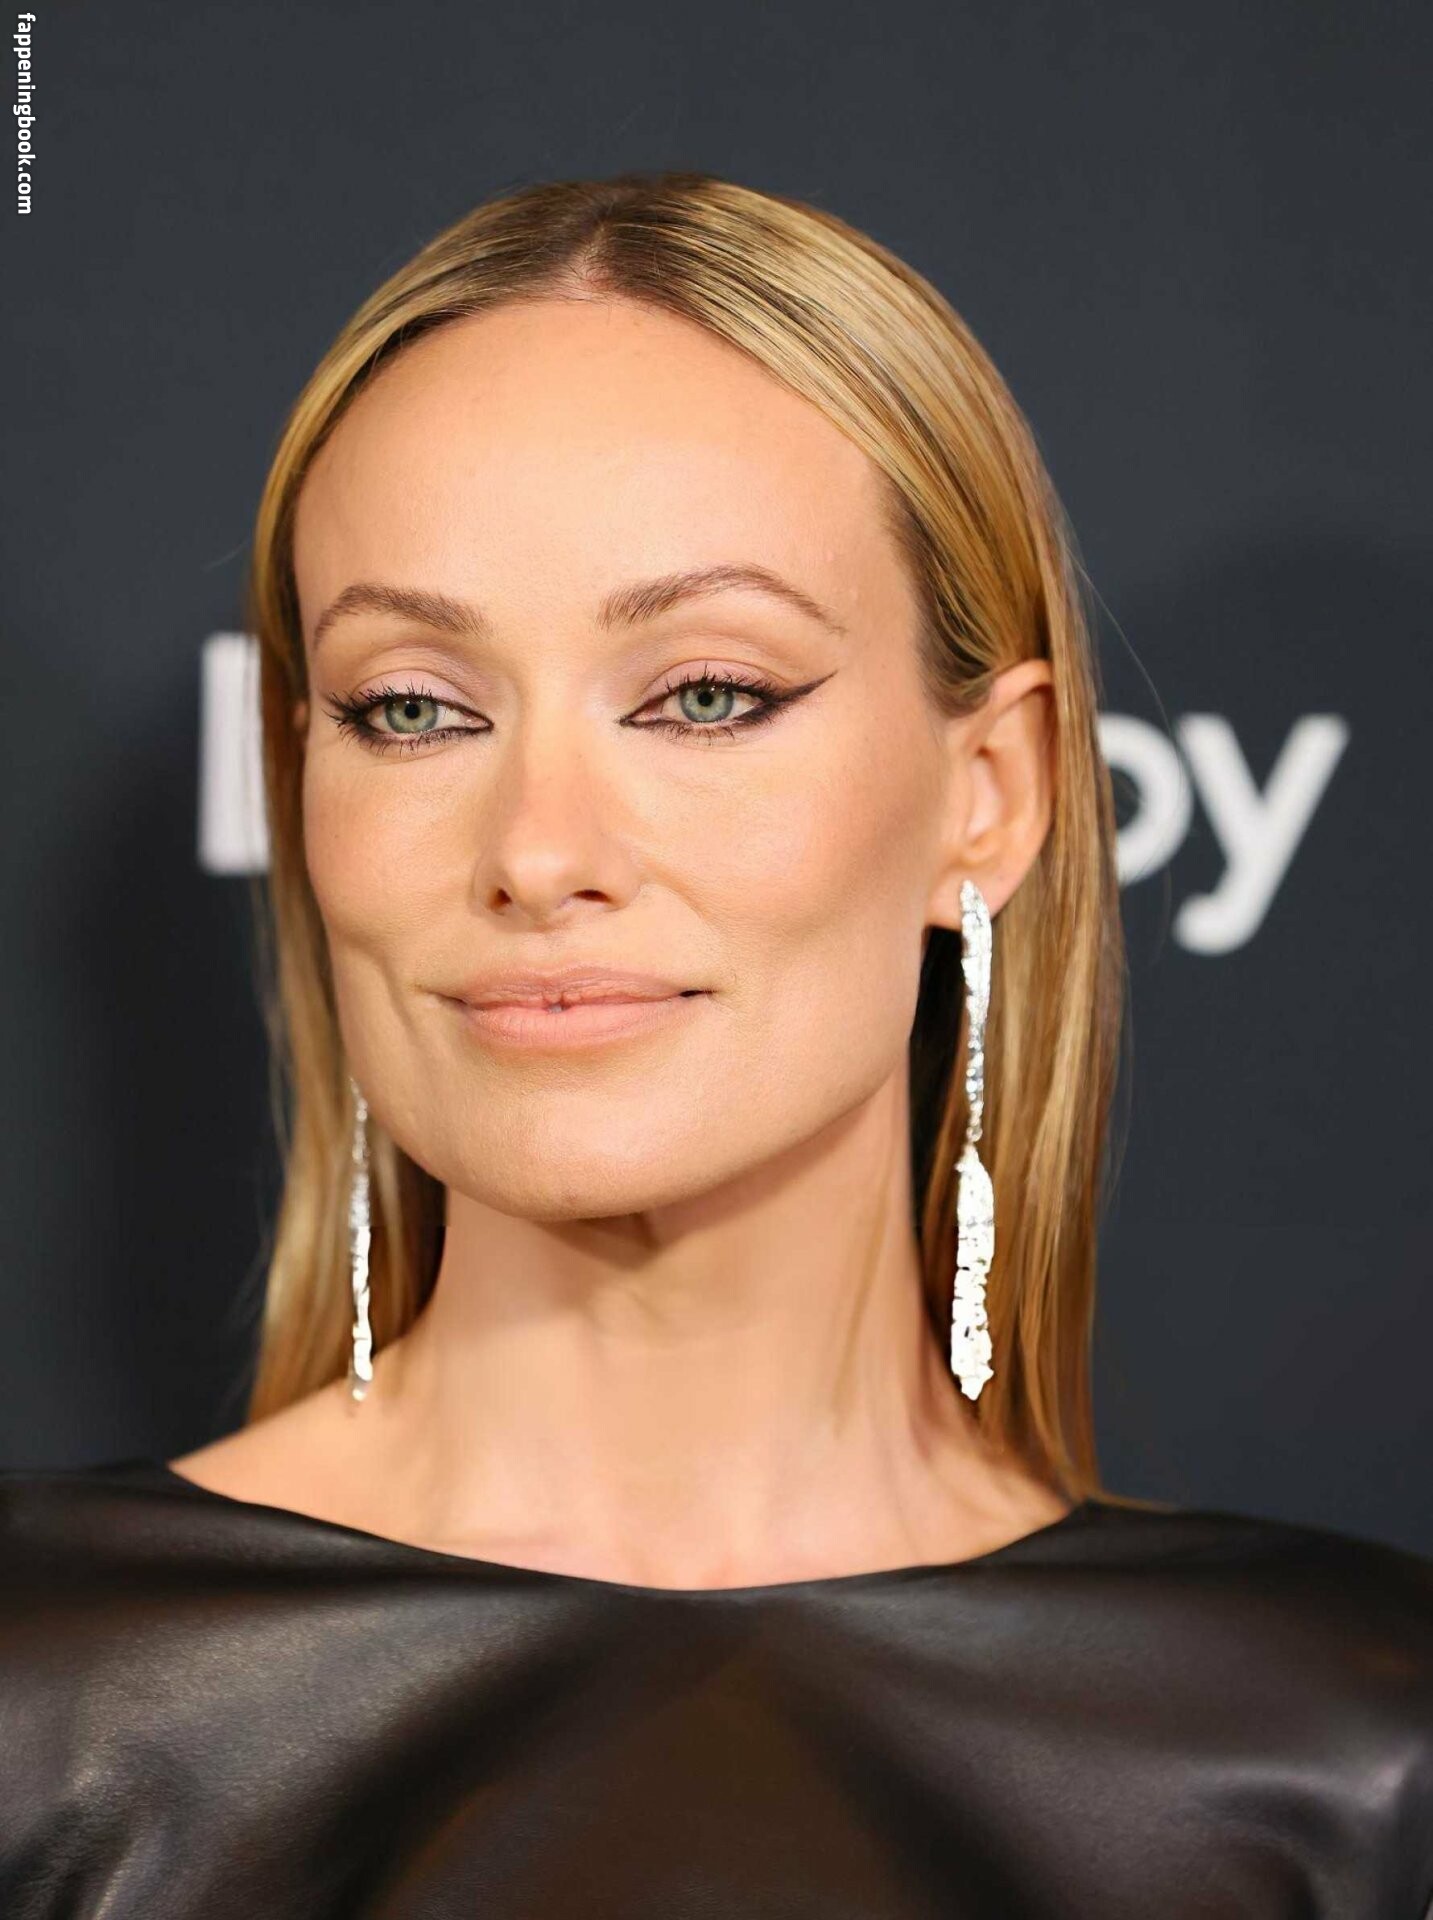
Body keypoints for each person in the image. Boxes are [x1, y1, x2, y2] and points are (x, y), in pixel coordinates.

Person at [2, 171, 1429, 1920]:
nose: (538, 851)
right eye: (413, 709)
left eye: (705, 696)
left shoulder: (1355, 1751)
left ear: (990, 794)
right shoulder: (38, 1703)